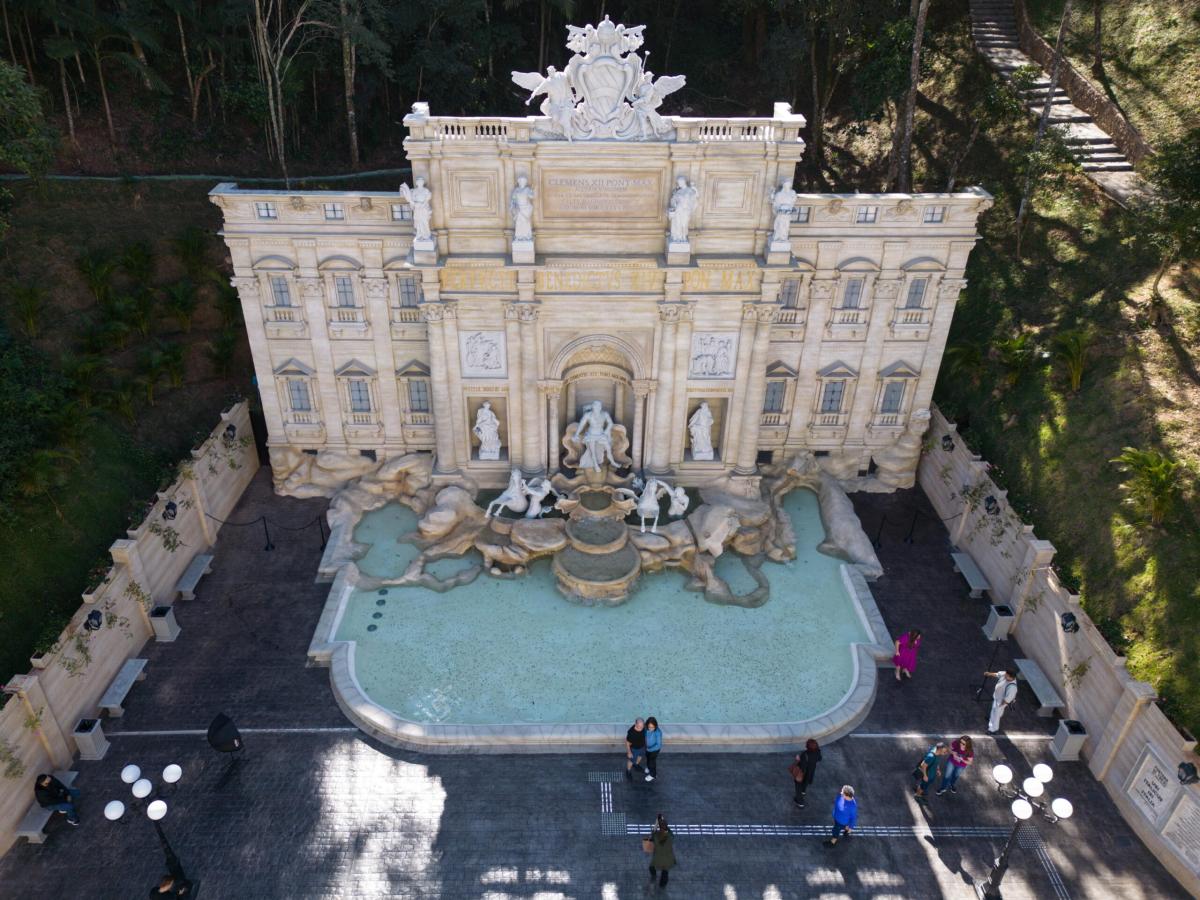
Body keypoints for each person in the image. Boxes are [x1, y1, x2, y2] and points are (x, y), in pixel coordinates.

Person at [646, 813, 676, 888]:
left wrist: (658, 822)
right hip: (668, 857)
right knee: (665, 871)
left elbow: (652, 835)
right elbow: (668, 830)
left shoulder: (656, 836)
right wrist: (661, 821)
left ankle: (654, 875)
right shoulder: (670, 835)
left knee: (652, 867)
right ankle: (662, 884)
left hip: (658, 857)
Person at [985, 669, 1019, 734]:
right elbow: (998, 674)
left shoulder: (1012, 687)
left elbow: (1007, 699)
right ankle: (994, 718)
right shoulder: (1005, 674)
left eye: (1006, 676)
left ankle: (993, 729)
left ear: (1011, 677)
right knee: (997, 712)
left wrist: (1001, 705)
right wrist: (989, 674)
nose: (1004, 676)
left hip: (1001, 701)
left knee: (995, 714)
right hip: (997, 697)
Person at [791, 738, 821, 808]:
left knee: (798, 786)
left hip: (803, 773)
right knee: (806, 783)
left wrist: (798, 759)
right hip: (811, 772)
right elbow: (819, 759)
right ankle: (803, 792)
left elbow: (802, 766)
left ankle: (800, 802)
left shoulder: (805, 755)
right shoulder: (818, 752)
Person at [644, 717, 662, 782]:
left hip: (654, 750)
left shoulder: (658, 732)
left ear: (655, 726)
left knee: (652, 762)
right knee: (648, 759)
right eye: (649, 727)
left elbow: (658, 745)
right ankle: (649, 768)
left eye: (653, 727)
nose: (651, 729)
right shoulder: (646, 729)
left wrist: (650, 749)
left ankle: (653, 775)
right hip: (647, 748)